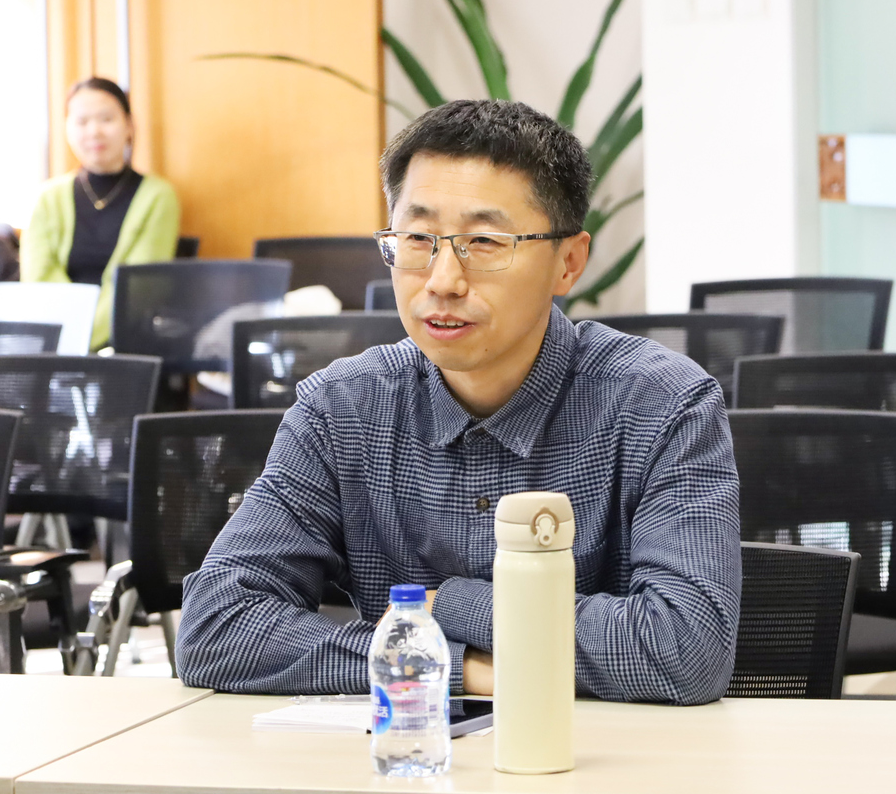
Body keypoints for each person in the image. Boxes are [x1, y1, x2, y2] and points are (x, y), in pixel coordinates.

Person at [176, 100, 741, 705]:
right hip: (407, 751)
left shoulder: (663, 404)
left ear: (568, 262)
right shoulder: (341, 410)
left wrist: (448, 606)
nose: (443, 280)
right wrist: (453, 667)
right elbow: (216, 628)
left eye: (485, 241)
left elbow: (687, 648)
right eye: (418, 238)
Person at [20, 77, 179, 349]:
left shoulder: (158, 197)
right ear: (67, 128)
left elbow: (138, 290)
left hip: (121, 345)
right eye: (81, 121)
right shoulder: (47, 198)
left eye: (106, 119)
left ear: (129, 125)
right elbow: (38, 279)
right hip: (54, 341)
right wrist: (64, 338)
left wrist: (78, 340)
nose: (94, 131)